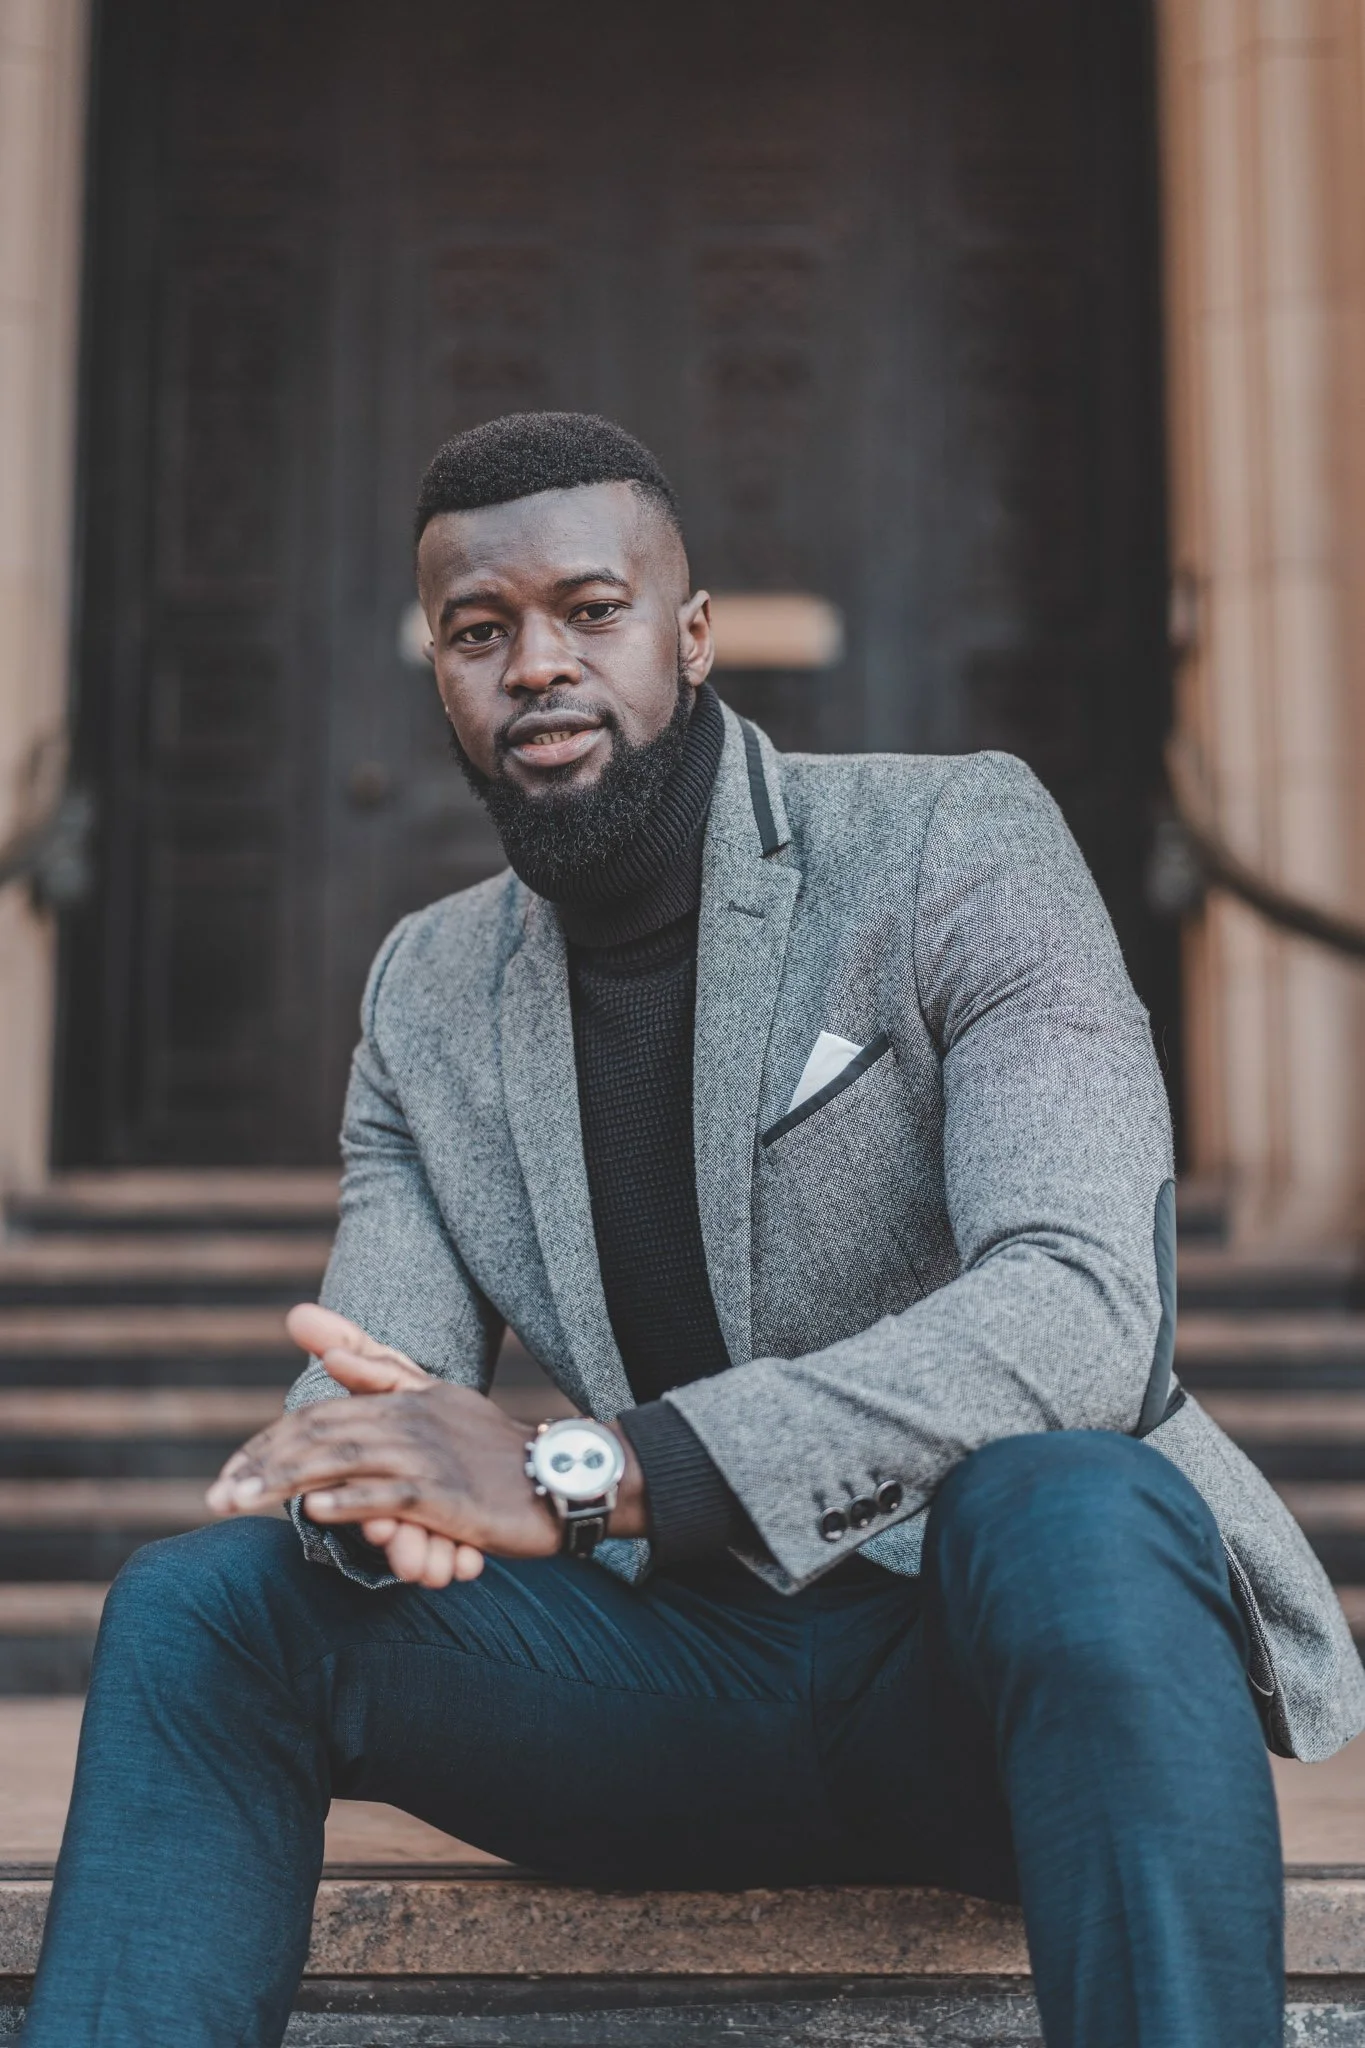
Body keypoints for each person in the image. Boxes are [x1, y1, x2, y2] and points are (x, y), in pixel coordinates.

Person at [23, 412, 1365, 2048]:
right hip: (666, 1696)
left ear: (694, 632)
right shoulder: (427, 992)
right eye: (479, 629)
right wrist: (363, 1473)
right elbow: (379, 1387)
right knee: (202, 1606)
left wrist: (580, 1470)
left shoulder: (955, 845)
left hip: (1001, 1684)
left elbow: (1085, 1311)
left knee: (1079, 1496)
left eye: (590, 610)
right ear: (439, 672)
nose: (536, 665)